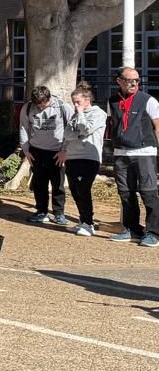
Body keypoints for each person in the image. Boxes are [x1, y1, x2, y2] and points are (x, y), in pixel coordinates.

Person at [109, 67, 159, 245]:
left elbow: (157, 126)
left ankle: (153, 233)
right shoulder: (112, 101)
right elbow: (113, 124)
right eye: (130, 80)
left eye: (137, 80)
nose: (134, 84)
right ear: (119, 81)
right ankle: (132, 229)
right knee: (125, 192)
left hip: (144, 152)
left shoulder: (148, 100)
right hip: (121, 153)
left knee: (149, 192)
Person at [18, 85, 72, 226]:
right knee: (39, 183)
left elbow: (71, 129)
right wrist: (26, 150)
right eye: (38, 104)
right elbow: (23, 128)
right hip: (36, 151)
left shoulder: (63, 107)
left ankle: (59, 213)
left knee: (58, 184)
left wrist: (65, 150)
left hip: (57, 152)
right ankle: (41, 211)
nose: (41, 107)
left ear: (49, 98)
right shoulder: (28, 108)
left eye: (44, 104)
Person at [62, 82, 108, 237]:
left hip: (88, 157)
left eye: (78, 102)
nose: (75, 105)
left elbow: (86, 129)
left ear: (87, 100)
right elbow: (67, 134)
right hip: (72, 156)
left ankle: (89, 223)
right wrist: (77, 135)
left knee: (83, 189)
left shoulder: (98, 113)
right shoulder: (75, 115)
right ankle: (83, 220)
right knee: (74, 189)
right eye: (73, 102)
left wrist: (81, 115)